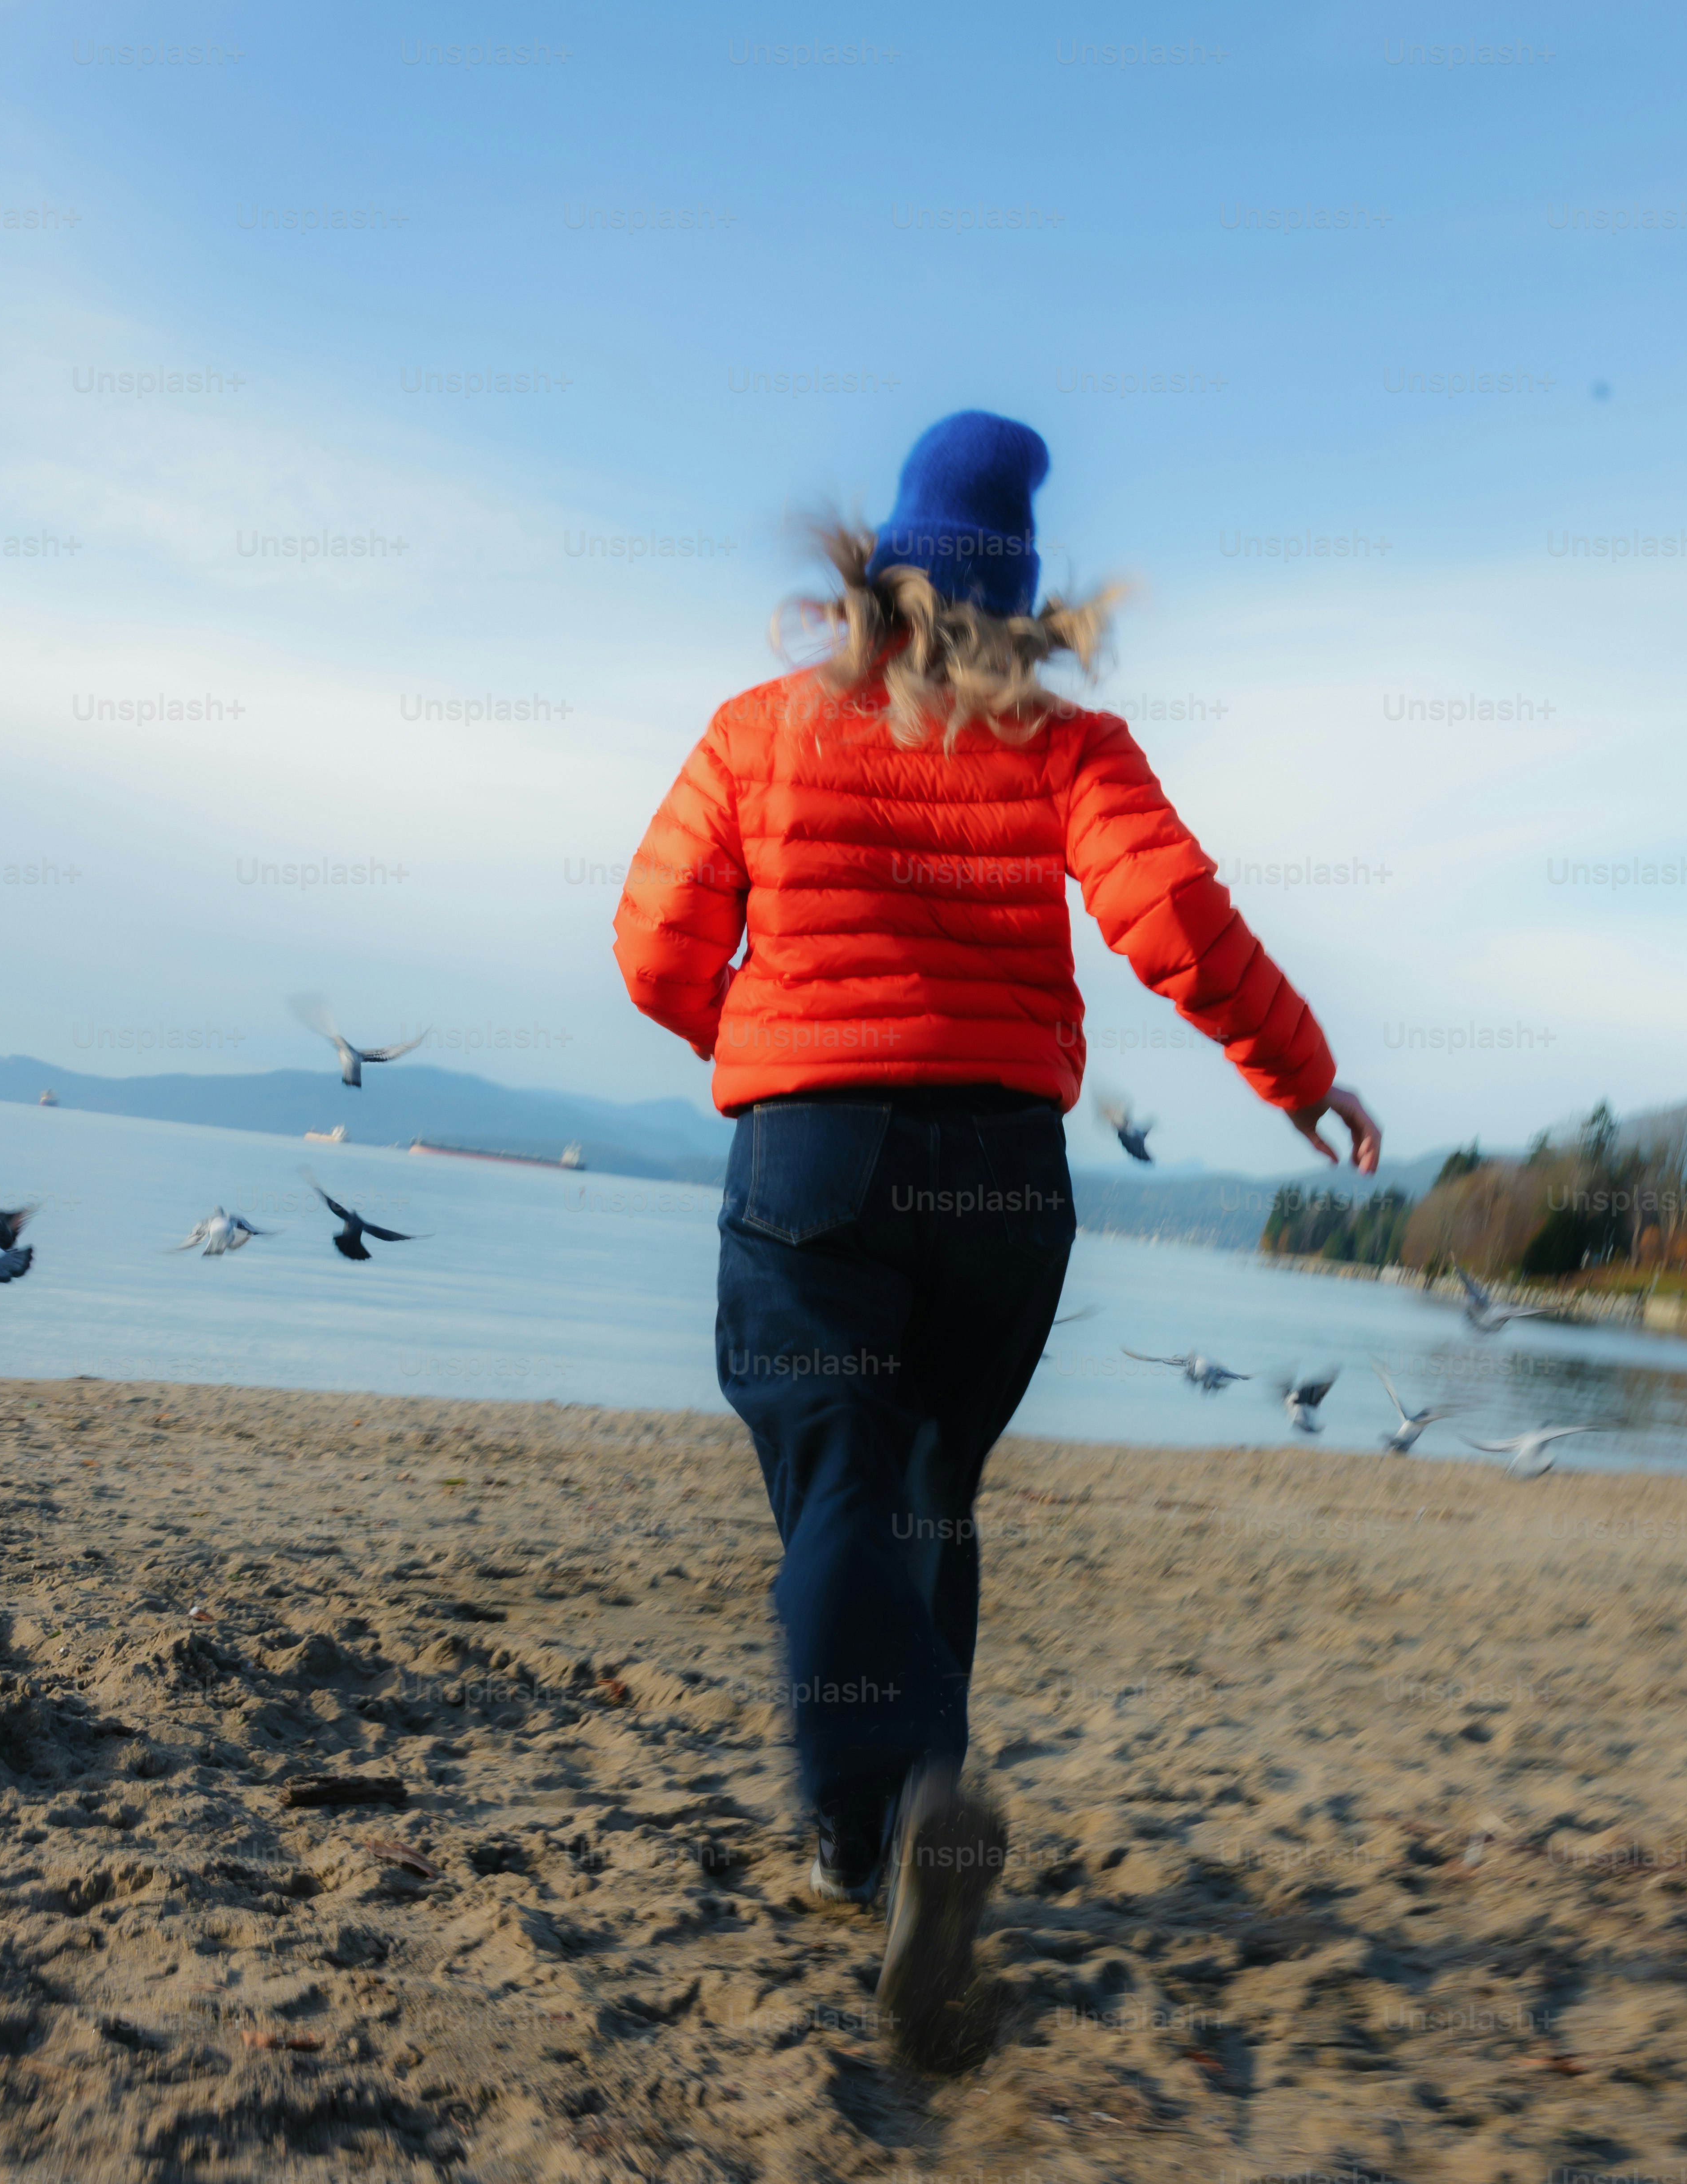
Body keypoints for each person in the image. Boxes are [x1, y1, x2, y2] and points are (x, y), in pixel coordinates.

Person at [610, 410, 1381, 2070]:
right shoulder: (1068, 749)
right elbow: (1174, 924)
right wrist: (1301, 1077)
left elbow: (657, 942)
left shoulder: (759, 731)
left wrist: (754, 1039)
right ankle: (924, 1813)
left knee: (836, 1495)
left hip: (816, 1160)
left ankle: (865, 1833)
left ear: (883, 578)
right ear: (1018, 601)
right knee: (926, 1494)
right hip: (1006, 1187)